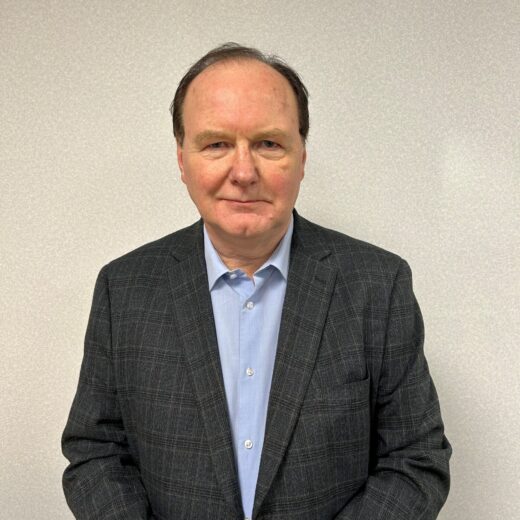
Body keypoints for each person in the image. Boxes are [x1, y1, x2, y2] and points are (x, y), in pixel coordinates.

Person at [62, 43, 451, 520]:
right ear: (183, 160)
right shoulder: (123, 289)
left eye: (268, 143)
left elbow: (416, 460)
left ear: (302, 157)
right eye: (216, 144)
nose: (243, 172)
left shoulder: (378, 285)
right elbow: (95, 450)